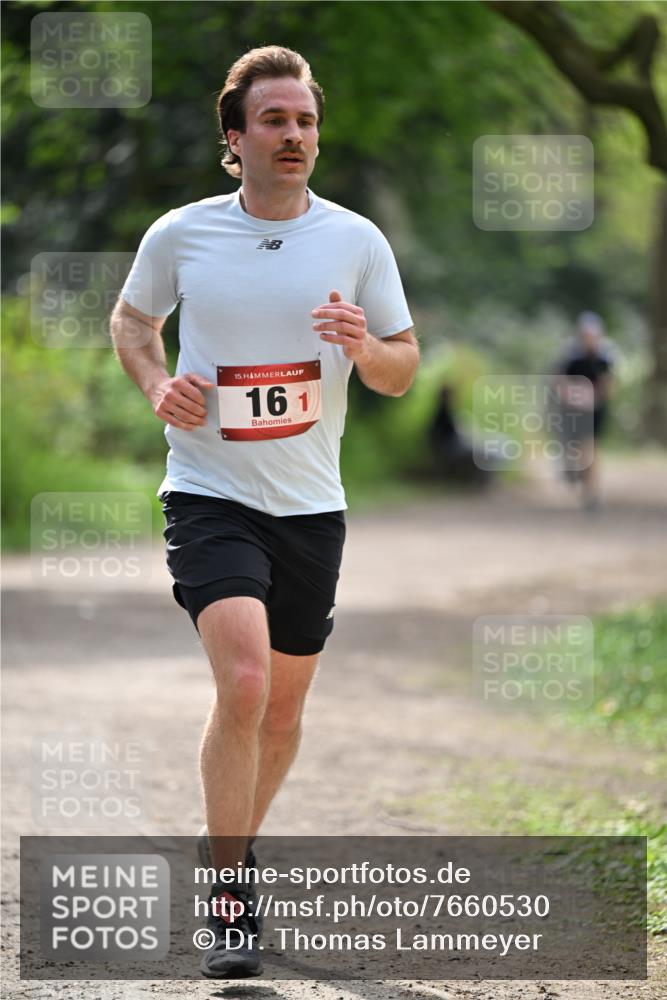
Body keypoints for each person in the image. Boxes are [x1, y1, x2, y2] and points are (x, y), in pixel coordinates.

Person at [110, 45, 418, 978]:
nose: (294, 135)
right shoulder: (181, 235)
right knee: (242, 684)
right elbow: (132, 321)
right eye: (275, 120)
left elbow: (403, 370)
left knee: (282, 712)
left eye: (306, 121)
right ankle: (233, 897)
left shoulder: (357, 240)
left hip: (310, 505)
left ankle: (227, 844)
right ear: (234, 140)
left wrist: (364, 348)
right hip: (208, 492)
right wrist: (157, 383)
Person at [553, 311, 614, 511]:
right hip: (573, 410)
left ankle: (591, 492)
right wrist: (574, 399)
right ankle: (580, 477)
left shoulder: (604, 358)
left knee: (591, 449)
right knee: (579, 448)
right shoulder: (571, 358)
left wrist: (595, 398)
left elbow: (609, 386)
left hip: (595, 410)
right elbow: (560, 384)